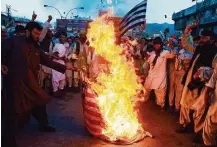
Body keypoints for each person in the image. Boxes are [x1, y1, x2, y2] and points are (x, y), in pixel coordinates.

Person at [2, 21, 76, 133]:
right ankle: (9, 137)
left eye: (39, 34)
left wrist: (66, 67)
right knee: (15, 110)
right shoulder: (13, 41)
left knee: (39, 102)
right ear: (27, 32)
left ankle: (43, 125)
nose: (37, 36)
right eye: (35, 33)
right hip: (15, 83)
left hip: (31, 83)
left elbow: (47, 61)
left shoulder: (36, 47)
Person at [177, 30, 217, 136]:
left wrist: (202, 73)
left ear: (211, 39)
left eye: (204, 37)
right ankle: (184, 125)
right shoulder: (199, 48)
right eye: (201, 37)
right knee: (184, 103)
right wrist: (187, 30)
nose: (202, 39)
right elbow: (185, 44)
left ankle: (198, 132)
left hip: (203, 85)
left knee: (200, 109)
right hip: (190, 82)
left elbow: (214, 71)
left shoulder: (214, 52)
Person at [142, 37, 175, 110]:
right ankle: (143, 101)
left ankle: (161, 107)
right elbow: (147, 62)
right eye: (155, 44)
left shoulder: (165, 52)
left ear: (161, 44)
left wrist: (171, 45)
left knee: (160, 93)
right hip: (151, 77)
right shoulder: (152, 53)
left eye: (158, 44)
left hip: (160, 78)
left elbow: (172, 56)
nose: (156, 46)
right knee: (146, 90)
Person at [52, 32, 68, 97]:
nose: (62, 38)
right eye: (61, 37)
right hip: (56, 63)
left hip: (62, 63)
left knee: (62, 78)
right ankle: (55, 91)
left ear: (66, 38)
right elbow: (53, 55)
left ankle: (61, 90)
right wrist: (60, 57)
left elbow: (66, 56)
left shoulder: (66, 45)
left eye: (64, 37)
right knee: (55, 79)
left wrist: (65, 58)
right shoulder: (56, 45)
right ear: (59, 38)